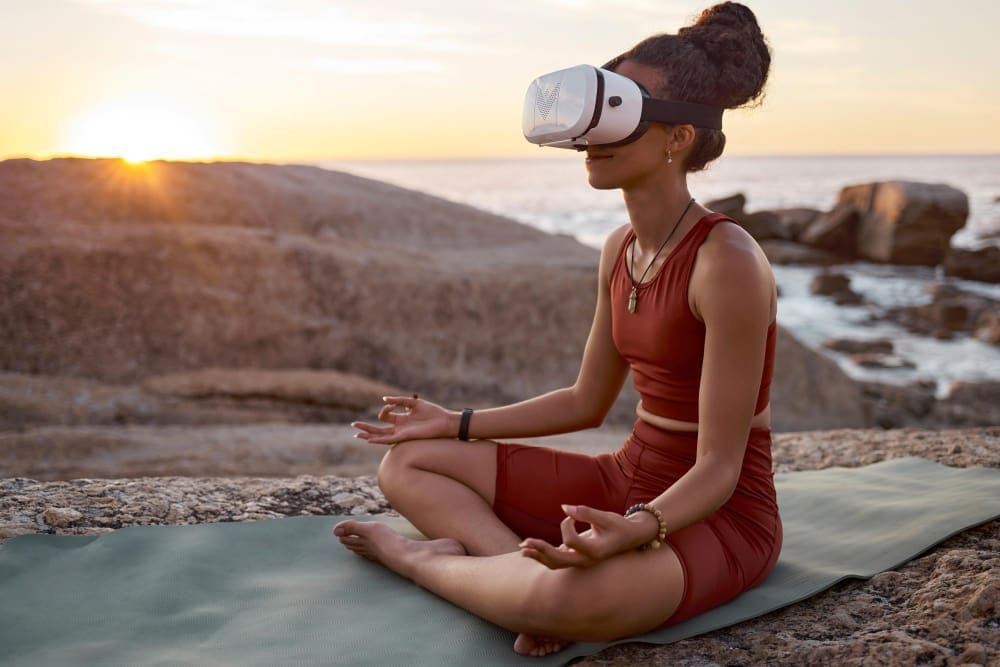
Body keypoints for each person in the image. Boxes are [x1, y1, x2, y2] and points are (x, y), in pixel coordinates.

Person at [334, 2, 779, 657]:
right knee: (407, 462)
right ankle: (513, 573)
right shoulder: (618, 247)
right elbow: (584, 401)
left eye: (621, 110)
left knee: (576, 602)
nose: (591, 135)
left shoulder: (728, 262)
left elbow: (718, 466)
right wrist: (452, 422)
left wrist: (635, 529)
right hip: (627, 477)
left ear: (676, 137)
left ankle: (419, 561)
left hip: (719, 514)